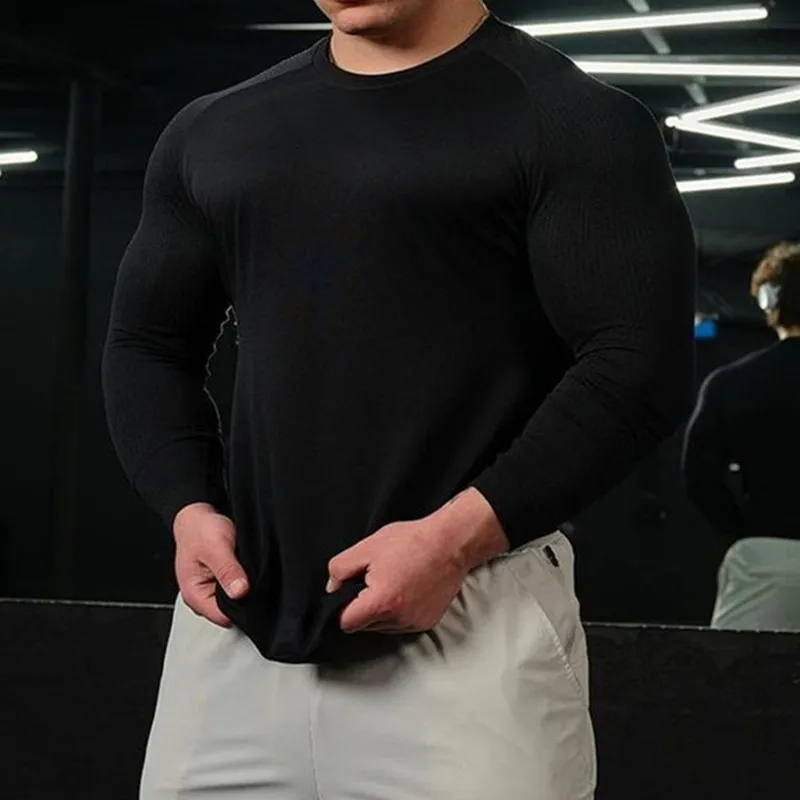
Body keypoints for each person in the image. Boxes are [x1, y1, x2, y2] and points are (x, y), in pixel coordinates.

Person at [101, 1, 696, 798]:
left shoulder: (571, 120)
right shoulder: (217, 129)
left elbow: (638, 365)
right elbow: (147, 345)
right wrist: (186, 508)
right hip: (235, 633)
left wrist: (455, 540)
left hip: (469, 625)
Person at [682, 242, 800, 631]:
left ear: (770, 301)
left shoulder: (731, 384)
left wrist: (745, 529)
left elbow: (698, 476)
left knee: (736, 666)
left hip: (765, 559)